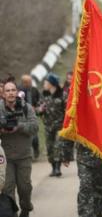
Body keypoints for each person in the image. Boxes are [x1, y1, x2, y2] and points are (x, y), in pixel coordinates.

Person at [0, 80, 38, 217]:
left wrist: (19, 126)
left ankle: (26, 208)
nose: (10, 93)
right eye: (7, 91)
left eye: (13, 90)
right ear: (3, 94)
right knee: (8, 188)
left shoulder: (26, 107)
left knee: (25, 188)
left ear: (17, 92)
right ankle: (12, 213)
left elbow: (35, 127)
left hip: (24, 155)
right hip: (6, 157)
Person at [37, 74, 66, 177]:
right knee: (49, 147)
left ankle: (58, 168)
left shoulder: (62, 94)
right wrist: (40, 110)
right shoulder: (44, 95)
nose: (44, 84)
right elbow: (38, 109)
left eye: (46, 82)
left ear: (52, 84)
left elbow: (67, 110)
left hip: (60, 126)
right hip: (48, 126)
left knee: (57, 146)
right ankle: (53, 167)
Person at [19, 75, 41, 159]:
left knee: (35, 137)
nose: (31, 83)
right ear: (24, 83)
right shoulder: (19, 92)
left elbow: (39, 100)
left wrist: (37, 107)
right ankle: (27, 154)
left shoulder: (34, 90)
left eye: (31, 81)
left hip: (33, 116)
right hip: (23, 117)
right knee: (26, 137)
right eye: (29, 82)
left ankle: (36, 149)